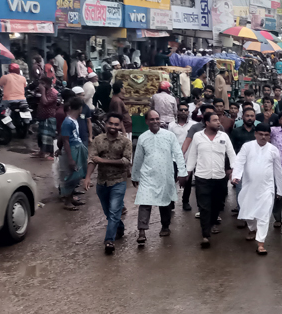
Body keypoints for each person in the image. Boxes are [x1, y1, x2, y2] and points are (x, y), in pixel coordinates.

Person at [131, 110, 188, 243]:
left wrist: (182, 172)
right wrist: (135, 175)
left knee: (165, 203)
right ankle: (142, 231)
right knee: (144, 202)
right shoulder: (143, 137)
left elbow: (178, 154)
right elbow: (138, 158)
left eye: (157, 118)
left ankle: (165, 226)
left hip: (165, 174)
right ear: (146, 121)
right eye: (152, 119)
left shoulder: (169, 136)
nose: (155, 121)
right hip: (147, 175)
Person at [185, 111, 237, 248]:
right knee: (204, 207)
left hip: (220, 177)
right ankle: (205, 235)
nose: (218, 122)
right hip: (202, 177)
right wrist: (187, 173)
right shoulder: (197, 136)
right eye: (214, 120)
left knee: (217, 205)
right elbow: (192, 156)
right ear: (207, 123)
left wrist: (234, 172)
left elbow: (232, 155)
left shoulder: (224, 136)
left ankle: (212, 222)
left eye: (218, 120)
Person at [231, 122, 282, 255]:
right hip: (249, 187)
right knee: (247, 212)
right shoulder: (247, 147)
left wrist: (280, 190)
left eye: (266, 135)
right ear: (255, 134)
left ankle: (261, 244)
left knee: (264, 216)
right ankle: (252, 228)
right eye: (260, 134)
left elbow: (278, 171)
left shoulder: (273, 150)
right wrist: (236, 176)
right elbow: (239, 161)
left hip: (267, 188)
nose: (263, 137)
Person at [84, 113, 133, 255]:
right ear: (106, 124)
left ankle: (109, 241)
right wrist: (87, 177)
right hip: (101, 182)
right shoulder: (98, 140)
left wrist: (104, 161)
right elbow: (93, 160)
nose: (113, 126)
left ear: (120, 126)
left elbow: (126, 161)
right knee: (109, 213)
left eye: (116, 124)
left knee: (113, 211)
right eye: (110, 123)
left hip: (118, 181)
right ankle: (120, 228)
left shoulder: (126, 142)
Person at [58, 98, 89, 211]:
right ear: (80, 108)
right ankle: (67, 201)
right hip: (72, 149)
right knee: (71, 175)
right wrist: (70, 159)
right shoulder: (68, 122)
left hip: (76, 147)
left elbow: (63, 137)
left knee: (77, 173)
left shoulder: (72, 120)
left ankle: (71, 198)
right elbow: (65, 140)